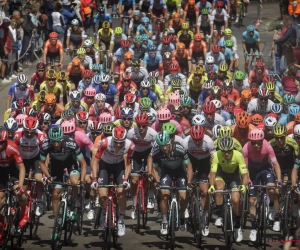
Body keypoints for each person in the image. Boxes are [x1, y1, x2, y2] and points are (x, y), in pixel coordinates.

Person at [147, 131, 193, 234]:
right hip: (166, 172)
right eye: (161, 146)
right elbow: (154, 169)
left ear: (170, 142)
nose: (164, 148)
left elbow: (189, 166)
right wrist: (157, 181)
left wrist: (189, 183)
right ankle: (164, 220)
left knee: (183, 195)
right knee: (164, 195)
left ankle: (181, 215)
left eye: (166, 145)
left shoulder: (179, 148)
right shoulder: (156, 151)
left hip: (180, 172)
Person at [208, 136, 248, 242]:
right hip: (221, 175)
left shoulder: (238, 155)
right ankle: (220, 215)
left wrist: (243, 185)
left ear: (232, 150)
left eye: (229, 151)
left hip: (234, 176)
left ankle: (238, 226)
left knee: (236, 200)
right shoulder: (216, 155)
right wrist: (211, 185)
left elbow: (245, 174)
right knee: (219, 188)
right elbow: (213, 174)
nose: (226, 154)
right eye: (224, 151)